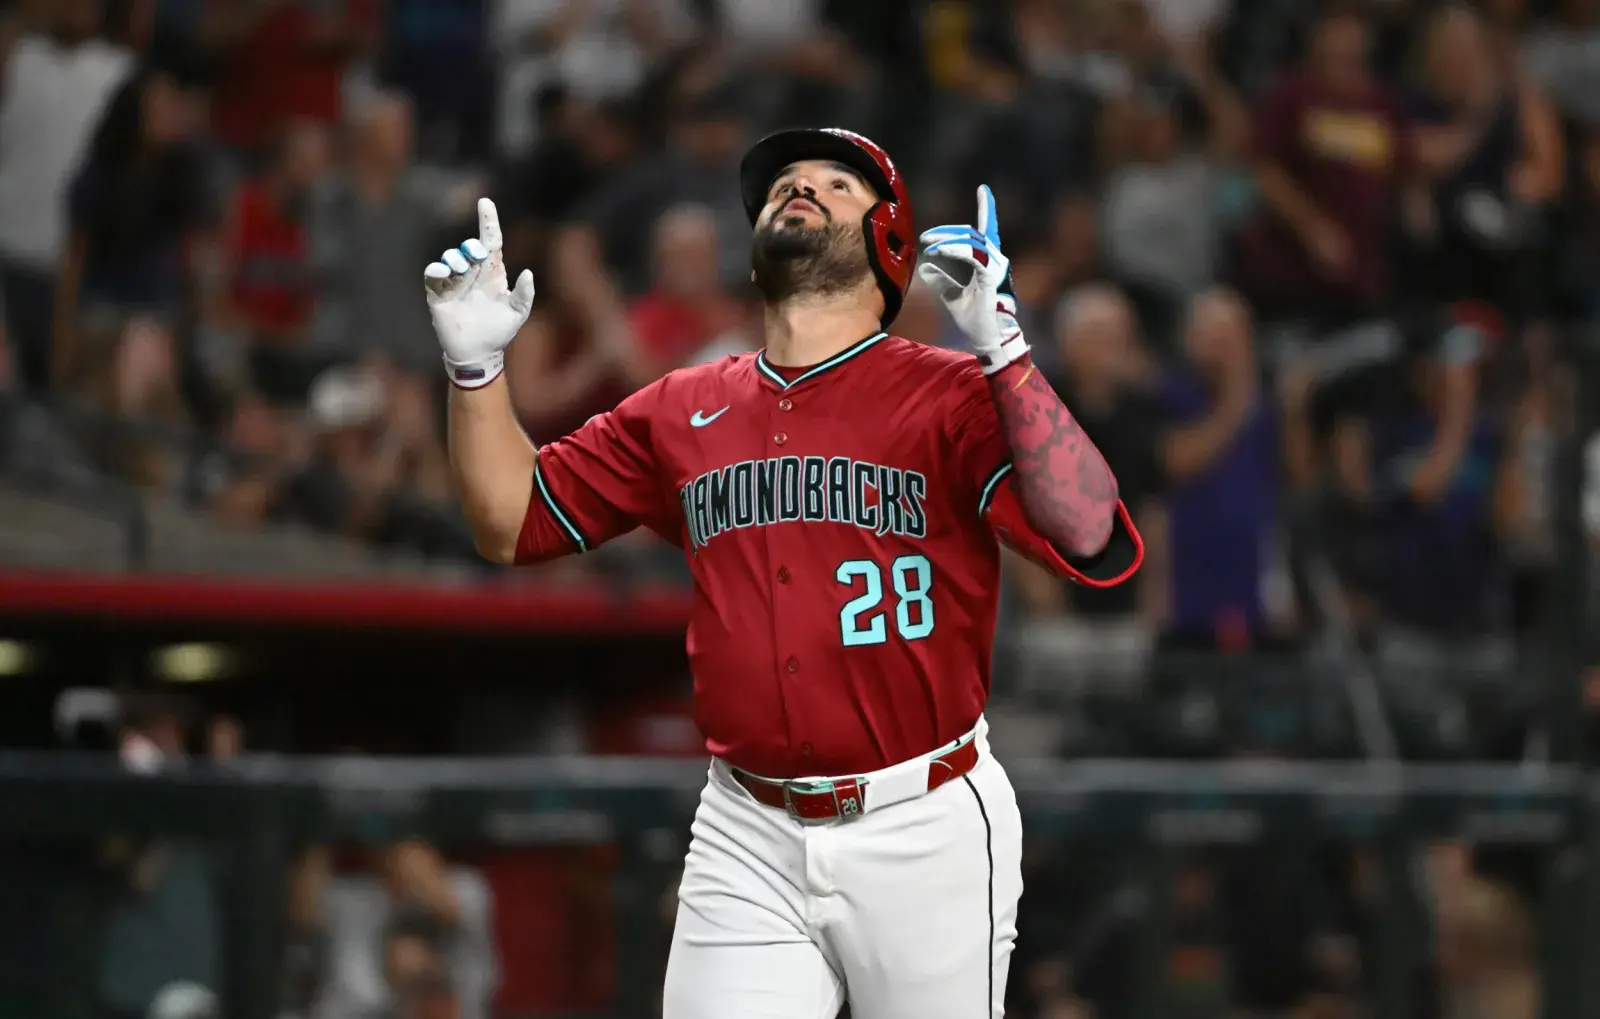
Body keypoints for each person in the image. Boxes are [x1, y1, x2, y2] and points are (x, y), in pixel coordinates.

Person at [424, 127, 1142, 1018]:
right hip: (747, 824)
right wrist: (473, 369)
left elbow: (1088, 532)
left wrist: (1006, 353)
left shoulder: (951, 393)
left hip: (921, 816)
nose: (800, 188)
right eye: (784, 184)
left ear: (888, 242)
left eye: (837, 183)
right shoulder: (683, 406)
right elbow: (511, 519)